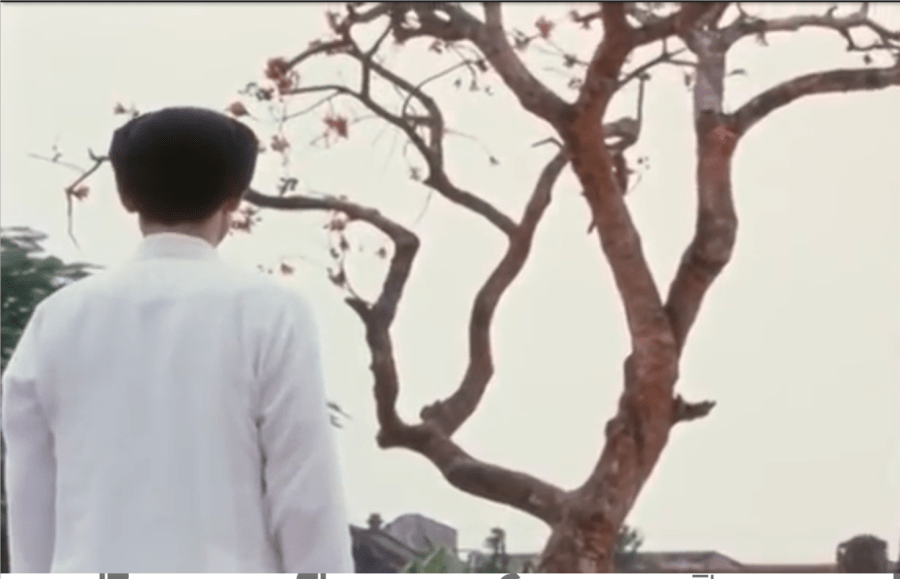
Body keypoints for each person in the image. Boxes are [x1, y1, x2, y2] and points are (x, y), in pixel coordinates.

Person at [1, 107, 354, 573]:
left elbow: (30, 490)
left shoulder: (57, 317)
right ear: (234, 197)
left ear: (126, 196)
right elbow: (306, 491)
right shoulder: (271, 311)